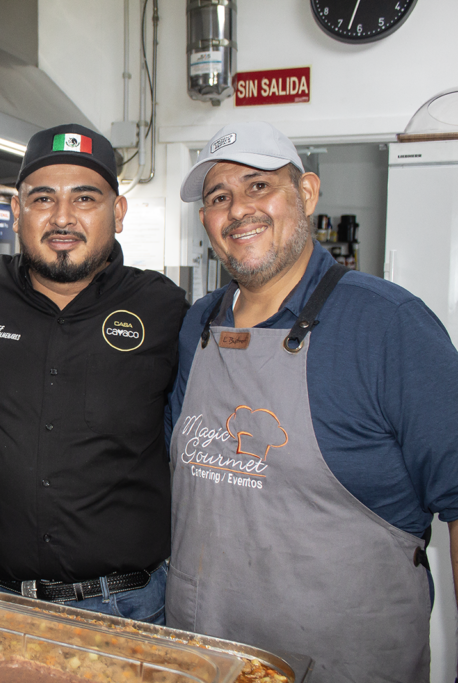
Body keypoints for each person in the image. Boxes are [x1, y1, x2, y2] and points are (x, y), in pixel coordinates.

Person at [166, 121, 458, 683]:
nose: (238, 210)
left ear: (306, 194)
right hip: (204, 658)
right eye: (218, 197)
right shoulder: (195, 326)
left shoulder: (387, 325)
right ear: (205, 220)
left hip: (346, 663)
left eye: (258, 187)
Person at [0, 124, 188, 622]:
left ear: (118, 212)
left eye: (85, 198)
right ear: (16, 209)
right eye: (43, 198)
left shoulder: (164, 309)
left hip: (125, 608)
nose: (63, 218)